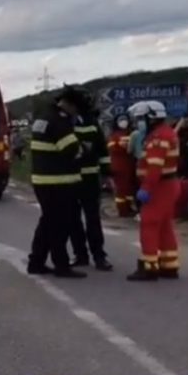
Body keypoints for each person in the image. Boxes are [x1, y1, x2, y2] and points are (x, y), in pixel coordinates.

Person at [26, 86, 87, 279]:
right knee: (61, 225)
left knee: (48, 223)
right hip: (59, 183)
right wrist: (84, 150)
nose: (76, 113)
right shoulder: (59, 121)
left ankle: (36, 262)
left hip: (43, 181)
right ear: (69, 104)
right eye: (76, 108)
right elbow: (72, 150)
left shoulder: (43, 117)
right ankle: (61, 265)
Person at [128, 100, 180, 281]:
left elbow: (154, 168)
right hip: (168, 185)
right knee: (165, 226)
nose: (138, 122)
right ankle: (169, 264)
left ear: (150, 118)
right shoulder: (167, 133)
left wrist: (145, 188)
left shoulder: (158, 137)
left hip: (159, 187)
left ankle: (149, 266)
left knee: (149, 224)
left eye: (140, 119)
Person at [68, 105, 113, 271]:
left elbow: (102, 149)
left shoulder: (92, 122)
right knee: (73, 219)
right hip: (70, 179)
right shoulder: (64, 122)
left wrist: (107, 173)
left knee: (93, 219)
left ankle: (99, 256)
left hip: (90, 178)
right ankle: (80, 255)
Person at [107, 113, 137, 217]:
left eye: (125, 120)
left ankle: (128, 208)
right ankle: (123, 211)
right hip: (119, 166)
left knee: (129, 188)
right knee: (121, 189)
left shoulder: (131, 133)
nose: (124, 122)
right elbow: (114, 148)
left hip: (129, 165)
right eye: (121, 120)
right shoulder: (114, 136)